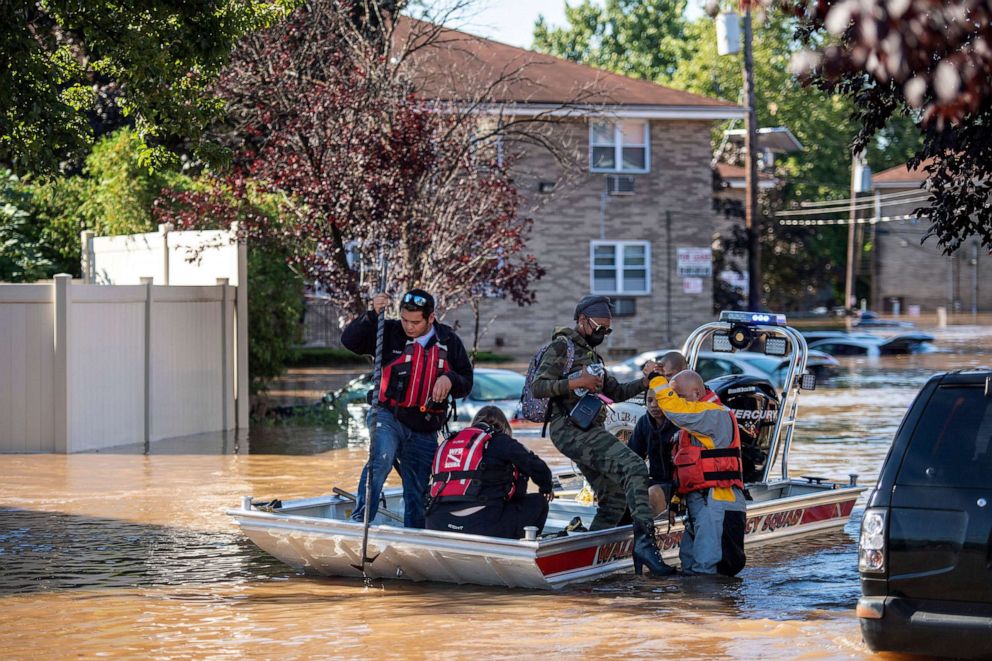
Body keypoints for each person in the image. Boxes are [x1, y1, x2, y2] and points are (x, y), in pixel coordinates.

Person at [531, 294, 676, 577]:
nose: (603, 333)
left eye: (607, 329)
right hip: (569, 429)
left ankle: (588, 560)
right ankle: (646, 546)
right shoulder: (562, 346)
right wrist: (577, 382)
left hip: (587, 429)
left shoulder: (590, 354)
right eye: (600, 327)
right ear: (583, 321)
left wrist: (646, 382)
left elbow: (617, 392)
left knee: (614, 497)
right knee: (634, 466)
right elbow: (539, 386)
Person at [341, 288, 473, 529]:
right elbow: (349, 341)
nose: (408, 327)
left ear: (430, 318)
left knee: (419, 491)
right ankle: (360, 523)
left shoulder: (449, 341)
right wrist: (371, 314)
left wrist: (451, 379)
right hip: (387, 415)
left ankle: (415, 535)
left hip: (424, 427)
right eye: (404, 319)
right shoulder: (388, 331)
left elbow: (467, 382)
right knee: (380, 460)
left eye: (415, 322)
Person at [649, 369, 747, 577]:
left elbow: (675, 409)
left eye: (681, 397)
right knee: (690, 565)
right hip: (699, 503)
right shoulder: (695, 425)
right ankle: (690, 608)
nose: (679, 401)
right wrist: (676, 501)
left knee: (708, 570)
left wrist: (656, 380)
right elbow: (688, 470)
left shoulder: (713, 414)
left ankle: (714, 609)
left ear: (696, 393)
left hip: (717, 500)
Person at [425, 406, 554, 539]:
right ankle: (517, 551)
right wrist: (546, 487)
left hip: (436, 523)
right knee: (538, 502)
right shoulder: (500, 440)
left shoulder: (450, 441)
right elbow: (537, 466)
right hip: (482, 526)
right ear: (504, 427)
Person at [628, 351, 686, 517]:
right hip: (657, 479)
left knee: (654, 492)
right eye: (649, 401)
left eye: (658, 401)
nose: (653, 405)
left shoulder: (682, 418)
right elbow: (633, 455)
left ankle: (657, 537)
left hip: (681, 484)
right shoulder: (644, 423)